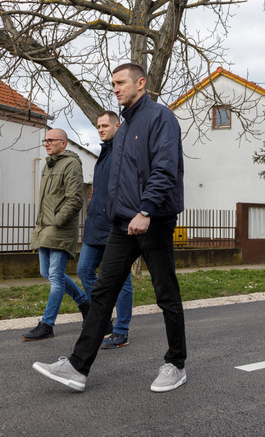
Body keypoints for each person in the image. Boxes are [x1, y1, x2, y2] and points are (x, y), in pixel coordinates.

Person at [33, 62, 187, 393]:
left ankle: (176, 364)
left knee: (165, 293)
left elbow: (165, 169)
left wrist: (146, 210)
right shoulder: (125, 126)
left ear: (140, 83)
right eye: (113, 84)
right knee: (103, 293)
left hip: (153, 220)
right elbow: (118, 180)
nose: (115, 88)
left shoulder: (160, 118)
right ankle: (77, 367)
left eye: (121, 82)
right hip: (123, 224)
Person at [23, 128, 90, 341]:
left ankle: (47, 324)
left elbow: (75, 199)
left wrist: (57, 221)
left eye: (51, 140)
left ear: (63, 143)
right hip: (45, 227)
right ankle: (84, 303)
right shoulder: (48, 165)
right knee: (47, 272)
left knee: (55, 277)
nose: (46, 143)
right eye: (45, 140)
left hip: (59, 228)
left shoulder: (71, 164)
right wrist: (43, 224)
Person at [77, 110, 134, 349]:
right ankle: (104, 319)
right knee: (84, 270)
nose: (100, 129)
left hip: (115, 226)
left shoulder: (125, 149)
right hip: (95, 226)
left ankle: (121, 331)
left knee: (122, 281)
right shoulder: (105, 151)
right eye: (98, 126)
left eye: (104, 126)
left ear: (117, 126)